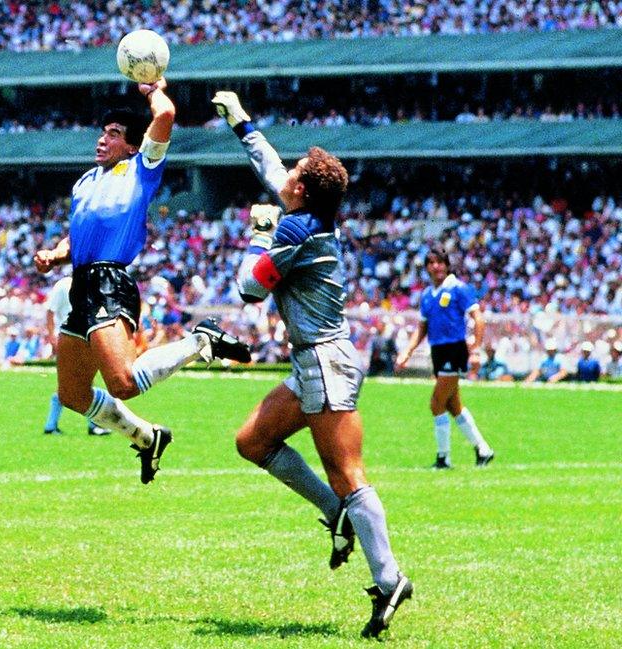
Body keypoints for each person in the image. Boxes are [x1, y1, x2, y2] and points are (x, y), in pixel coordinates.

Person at [212, 90, 411, 639]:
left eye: (295, 171)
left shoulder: (298, 232)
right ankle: (336, 513)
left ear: (301, 190)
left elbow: (249, 289)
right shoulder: (306, 213)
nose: (287, 173)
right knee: (252, 440)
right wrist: (241, 123)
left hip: (325, 362)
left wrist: (257, 235)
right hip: (313, 362)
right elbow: (271, 167)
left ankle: (390, 578)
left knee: (348, 473)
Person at [33, 78, 250, 485]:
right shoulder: (84, 182)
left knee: (124, 383)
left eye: (113, 134)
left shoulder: (141, 168)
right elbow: (77, 235)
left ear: (133, 145)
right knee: (73, 395)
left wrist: (153, 89)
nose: (102, 139)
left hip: (110, 281)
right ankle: (147, 437)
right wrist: (56, 254)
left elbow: (166, 115)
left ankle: (199, 342)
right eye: (103, 132)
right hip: (82, 282)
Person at [395, 245, 495, 469]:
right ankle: (483, 450)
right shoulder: (427, 296)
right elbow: (422, 328)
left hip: (454, 349)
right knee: (453, 405)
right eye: (431, 263)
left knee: (436, 403)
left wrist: (476, 350)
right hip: (438, 351)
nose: (436, 266)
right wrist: (407, 352)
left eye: (439, 262)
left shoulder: (459, 289)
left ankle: (443, 458)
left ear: (447, 265)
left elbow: (478, 319)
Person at [43, 274, 109, 436]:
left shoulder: (92, 286)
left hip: (85, 338)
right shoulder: (64, 284)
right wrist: (52, 337)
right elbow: (50, 311)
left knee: (78, 382)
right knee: (76, 383)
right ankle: (92, 425)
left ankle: (52, 425)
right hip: (69, 337)